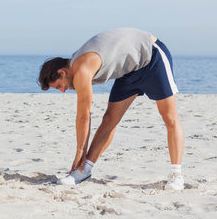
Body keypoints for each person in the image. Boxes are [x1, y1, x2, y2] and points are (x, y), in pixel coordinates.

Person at [38, 28, 184, 190]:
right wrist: (82, 153)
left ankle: (176, 175)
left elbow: (84, 116)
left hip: (152, 57)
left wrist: (80, 151)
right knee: (109, 119)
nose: (63, 90)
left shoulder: (81, 70)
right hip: (129, 71)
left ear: (62, 72)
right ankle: (84, 170)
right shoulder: (76, 63)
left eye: (59, 86)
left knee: (169, 117)